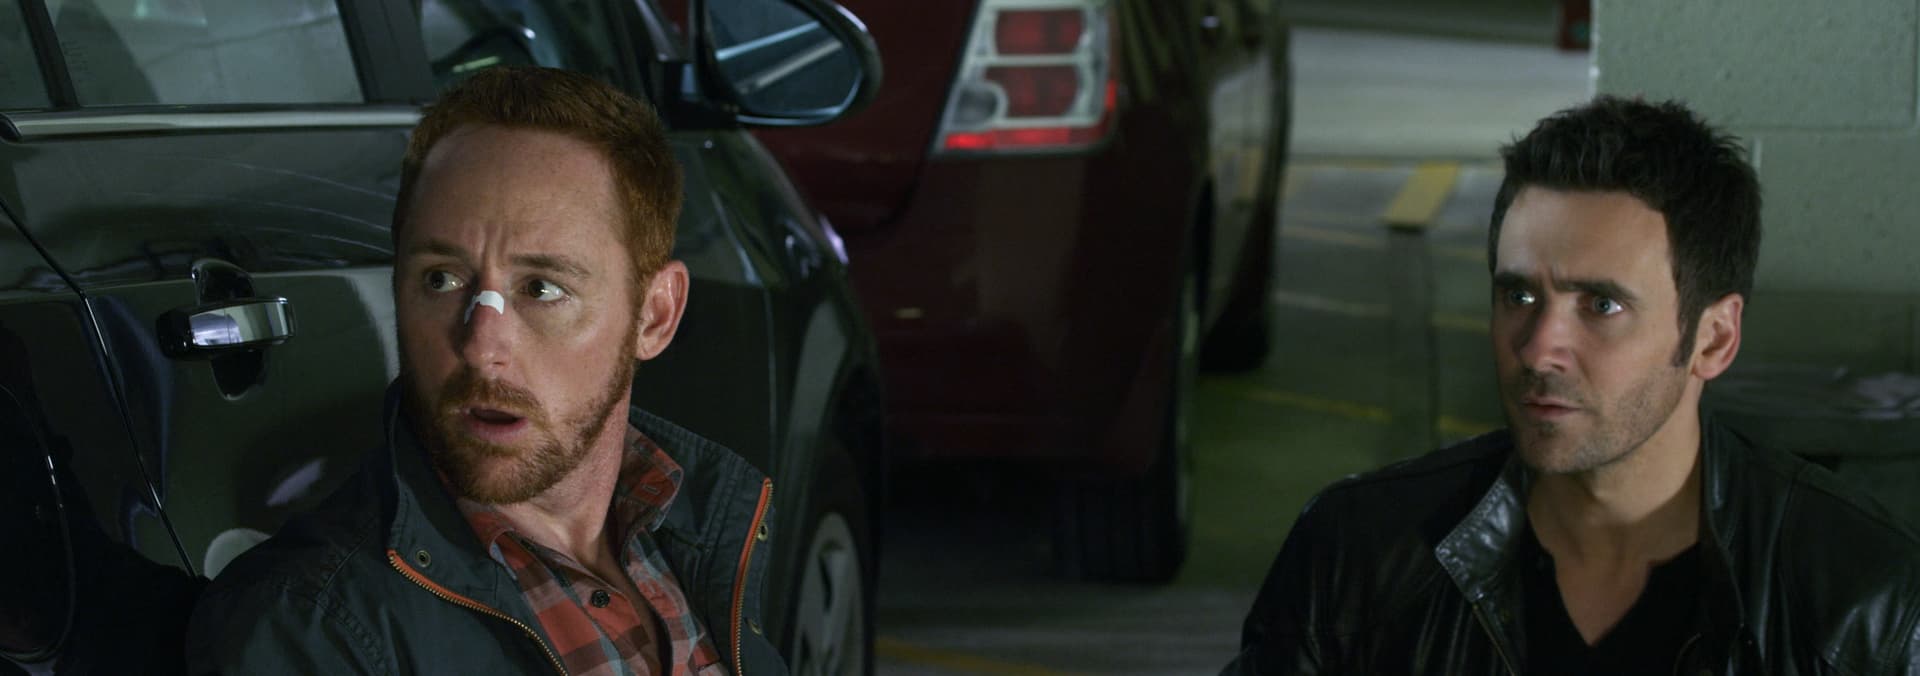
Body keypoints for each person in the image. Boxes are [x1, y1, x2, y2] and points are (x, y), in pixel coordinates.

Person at [1223, 96, 1920, 674]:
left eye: (1601, 305)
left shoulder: (1865, 602)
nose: (1537, 348)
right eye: (1519, 296)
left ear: (1713, 339)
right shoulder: (1357, 555)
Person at [187, 66, 784, 675]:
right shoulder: (311, 627)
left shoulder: (694, 529)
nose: (480, 347)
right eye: (441, 279)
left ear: (654, 317)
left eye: (542, 288)